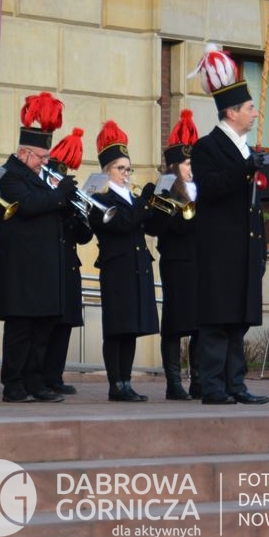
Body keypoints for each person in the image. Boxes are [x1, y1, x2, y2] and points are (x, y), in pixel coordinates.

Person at [190, 45, 269, 405]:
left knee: (238, 321)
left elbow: (253, 206)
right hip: (219, 251)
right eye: (250, 107)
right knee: (217, 321)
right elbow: (210, 188)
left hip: (245, 249)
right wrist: (244, 168)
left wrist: (261, 248)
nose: (255, 113)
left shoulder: (245, 150)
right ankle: (212, 386)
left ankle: (236, 383)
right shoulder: (206, 147)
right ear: (232, 111)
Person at [0, 92, 75, 403]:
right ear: (24, 153)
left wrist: (67, 203)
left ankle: (35, 381)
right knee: (21, 330)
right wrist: (59, 195)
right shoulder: (9, 176)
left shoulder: (40, 177)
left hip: (45, 268)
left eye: (46, 158)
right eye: (41, 157)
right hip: (22, 269)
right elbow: (27, 205)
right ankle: (13, 384)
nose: (45, 162)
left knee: (42, 329)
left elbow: (49, 207)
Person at [88, 121, 160, 402]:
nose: (126, 174)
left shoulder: (133, 199)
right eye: (121, 168)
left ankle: (126, 382)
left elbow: (148, 225)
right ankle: (115, 384)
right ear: (107, 171)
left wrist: (154, 202)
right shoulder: (100, 200)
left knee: (131, 329)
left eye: (129, 169)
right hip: (117, 270)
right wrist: (144, 203)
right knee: (116, 329)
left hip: (137, 267)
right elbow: (123, 223)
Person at [153, 109, 201, 400]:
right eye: (186, 163)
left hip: (199, 262)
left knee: (199, 323)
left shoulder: (200, 189)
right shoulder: (164, 191)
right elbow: (164, 227)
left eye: (192, 162)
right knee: (174, 323)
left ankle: (198, 380)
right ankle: (173, 382)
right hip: (176, 263)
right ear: (174, 166)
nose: (190, 168)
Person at [42, 128, 93, 395]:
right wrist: (61, 203)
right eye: (56, 176)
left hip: (69, 267)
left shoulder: (70, 198)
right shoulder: (47, 196)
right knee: (48, 326)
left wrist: (78, 212)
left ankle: (55, 376)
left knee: (65, 326)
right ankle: (41, 377)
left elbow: (84, 236)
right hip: (50, 268)